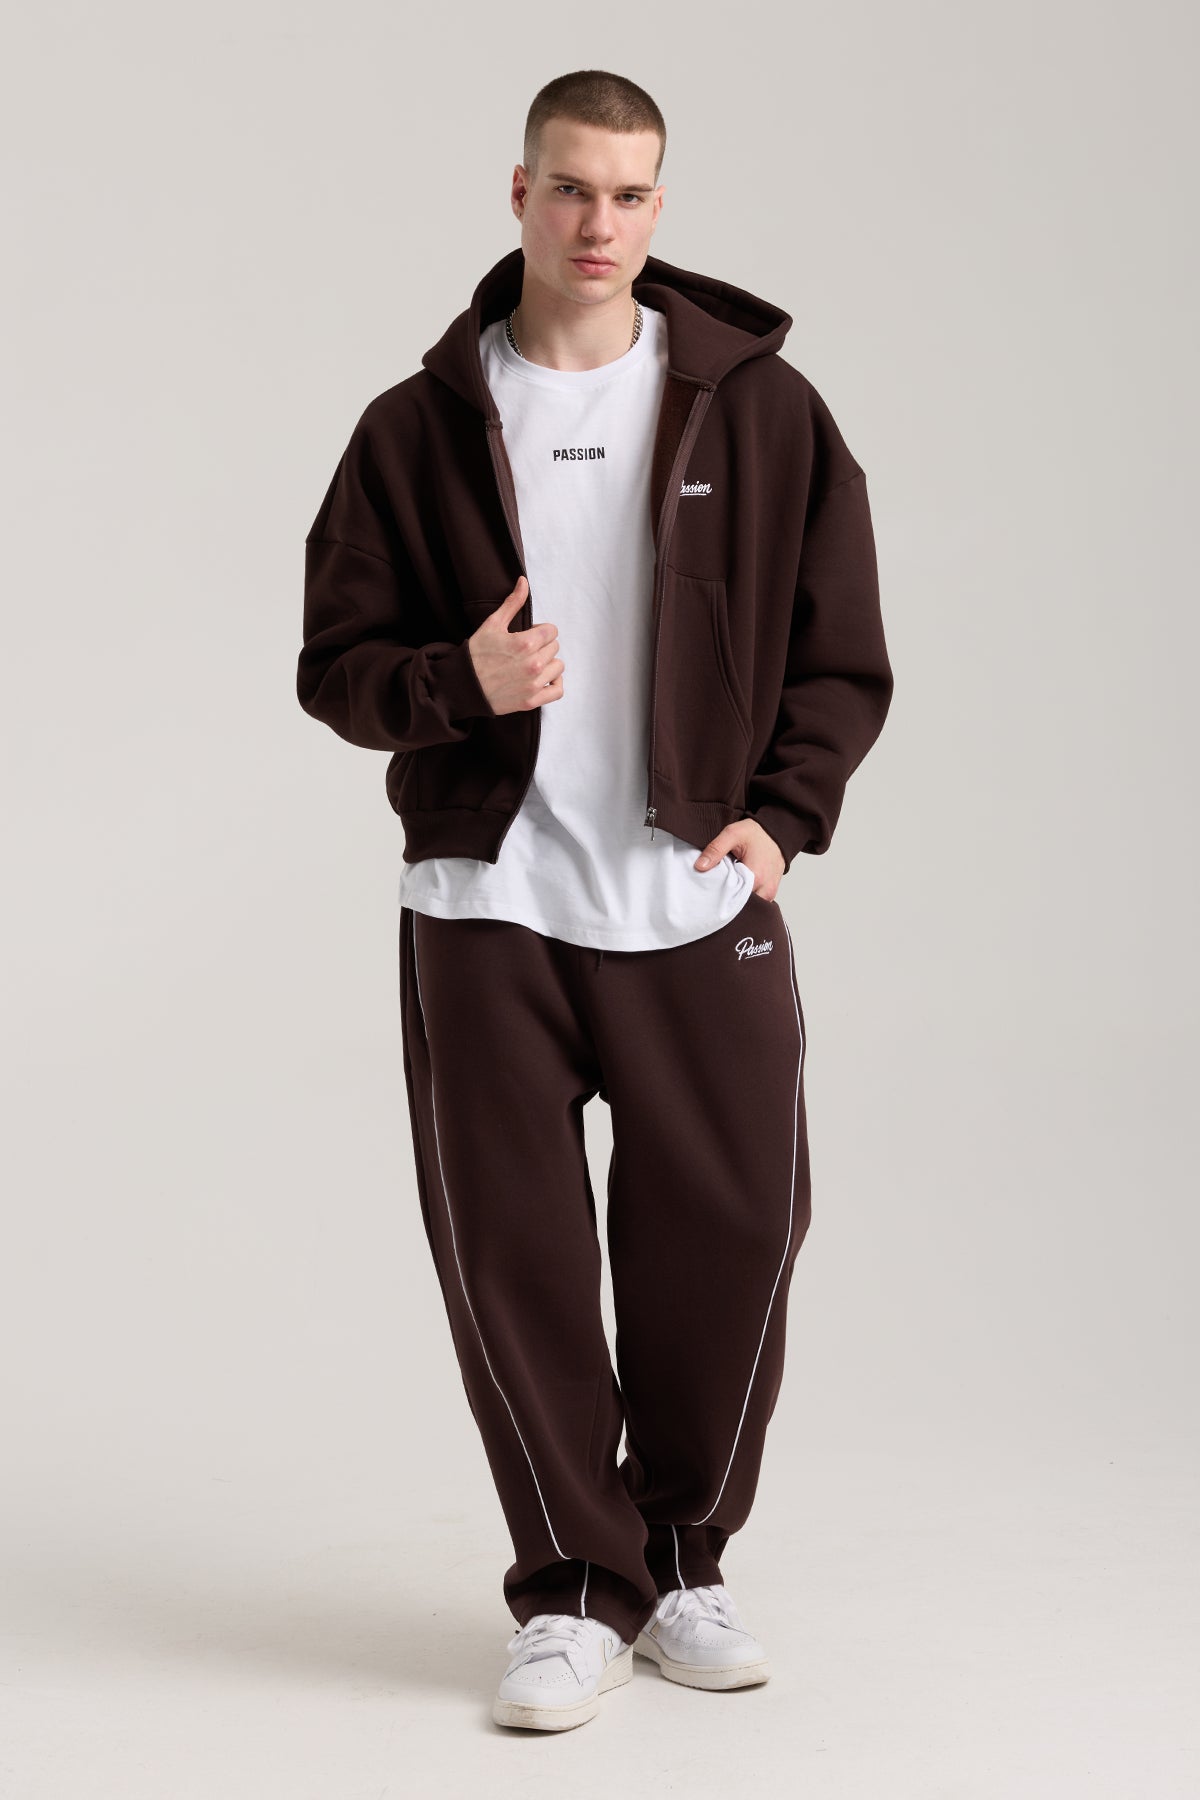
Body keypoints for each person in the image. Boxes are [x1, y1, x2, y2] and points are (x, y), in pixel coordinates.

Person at [297, 68, 893, 1733]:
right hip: (484, 903)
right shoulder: (416, 426)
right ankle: (571, 1589)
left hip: (693, 893)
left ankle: (683, 1560)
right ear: (520, 193)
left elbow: (842, 642)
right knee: (517, 1265)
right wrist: (458, 684)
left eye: (630, 195)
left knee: (736, 1234)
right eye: (570, 189)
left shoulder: (761, 411)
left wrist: (784, 819)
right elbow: (335, 668)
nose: (599, 224)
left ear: (659, 207)